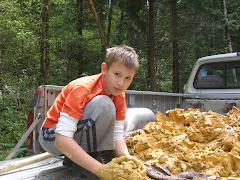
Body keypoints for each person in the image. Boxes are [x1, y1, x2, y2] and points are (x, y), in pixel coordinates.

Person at [39, 45, 139, 179]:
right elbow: (61, 139)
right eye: (117, 74)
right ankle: (85, 165)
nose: (121, 83)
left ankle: (78, 158)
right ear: (104, 69)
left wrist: (127, 158)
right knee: (104, 104)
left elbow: (117, 135)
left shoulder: (119, 95)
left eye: (128, 78)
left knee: (118, 119)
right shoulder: (83, 88)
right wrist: (99, 169)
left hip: (71, 136)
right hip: (51, 136)